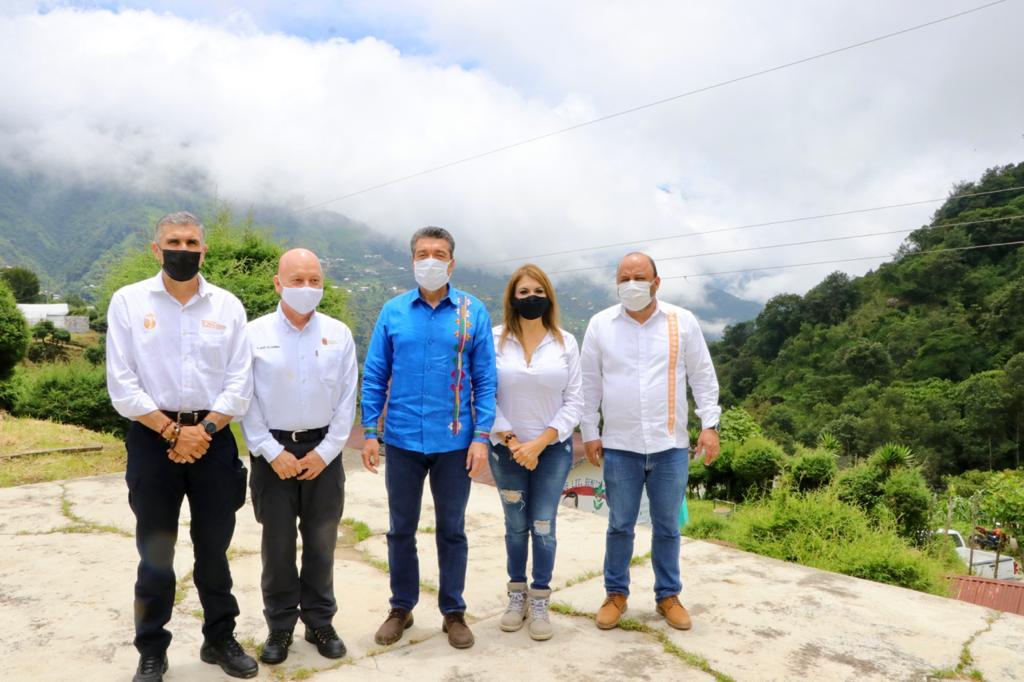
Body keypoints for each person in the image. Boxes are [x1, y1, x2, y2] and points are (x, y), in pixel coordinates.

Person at [106, 211, 257, 681]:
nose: (183, 250)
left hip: (213, 440)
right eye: (174, 241)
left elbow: (240, 383)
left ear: (203, 251)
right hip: (152, 441)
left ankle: (220, 638)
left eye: (192, 243)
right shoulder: (129, 302)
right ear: (157, 249)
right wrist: (173, 432)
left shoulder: (227, 307)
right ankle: (152, 649)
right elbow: (122, 383)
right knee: (156, 554)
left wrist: (202, 431)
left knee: (214, 550)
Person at [360, 226, 496, 650]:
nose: (431, 260)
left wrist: (482, 437)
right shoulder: (393, 312)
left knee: (452, 530)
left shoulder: (472, 312)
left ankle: (453, 611)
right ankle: (401, 607)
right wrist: (370, 431)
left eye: (439, 253)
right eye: (423, 253)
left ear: (451, 263)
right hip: (402, 440)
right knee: (400, 529)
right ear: (413, 260)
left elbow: (486, 380)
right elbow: (375, 374)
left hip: (455, 442)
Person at [580, 252, 721, 632]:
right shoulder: (601, 325)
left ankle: (668, 596)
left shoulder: (682, 321)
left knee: (667, 526)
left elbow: (702, 376)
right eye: (623, 278)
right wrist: (590, 432)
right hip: (620, 445)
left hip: (669, 445)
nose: (631, 284)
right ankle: (615, 595)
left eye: (639, 277)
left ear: (656, 282)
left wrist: (710, 425)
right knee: (619, 526)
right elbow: (588, 383)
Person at [241, 248, 358, 665]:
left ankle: (320, 622)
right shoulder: (253, 334)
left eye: (314, 280)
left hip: (323, 452)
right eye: (297, 280)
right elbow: (245, 399)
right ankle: (280, 626)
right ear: (278, 284)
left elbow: (346, 400)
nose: (306, 288)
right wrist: (272, 452)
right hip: (272, 453)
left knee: (322, 542)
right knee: (277, 546)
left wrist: (325, 453)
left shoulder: (338, 334)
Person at [489, 264, 583, 641]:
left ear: (549, 297)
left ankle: (540, 597)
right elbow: (484, 394)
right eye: (524, 292)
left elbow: (575, 401)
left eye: (538, 291)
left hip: (553, 450)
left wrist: (540, 443)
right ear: (513, 298)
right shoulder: (494, 339)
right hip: (506, 451)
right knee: (515, 525)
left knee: (543, 525)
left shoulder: (565, 343)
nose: (532, 298)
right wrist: (514, 443)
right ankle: (517, 595)